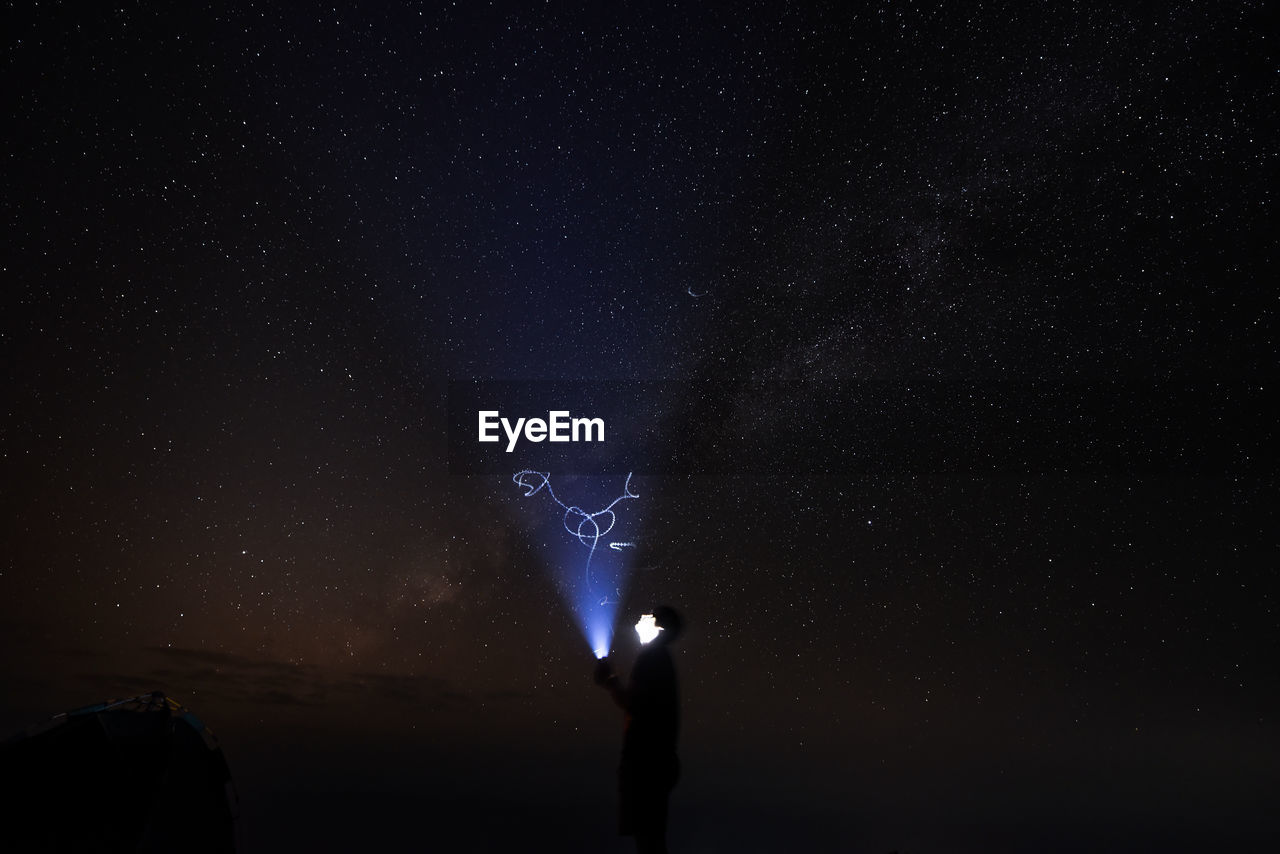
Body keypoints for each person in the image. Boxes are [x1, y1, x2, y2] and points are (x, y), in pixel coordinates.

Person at [594, 606, 683, 854]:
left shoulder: (651, 658)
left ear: (658, 628)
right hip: (658, 762)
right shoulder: (661, 660)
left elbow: (633, 702)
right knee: (652, 837)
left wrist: (609, 682)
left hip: (646, 764)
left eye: (649, 617)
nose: (641, 619)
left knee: (647, 840)